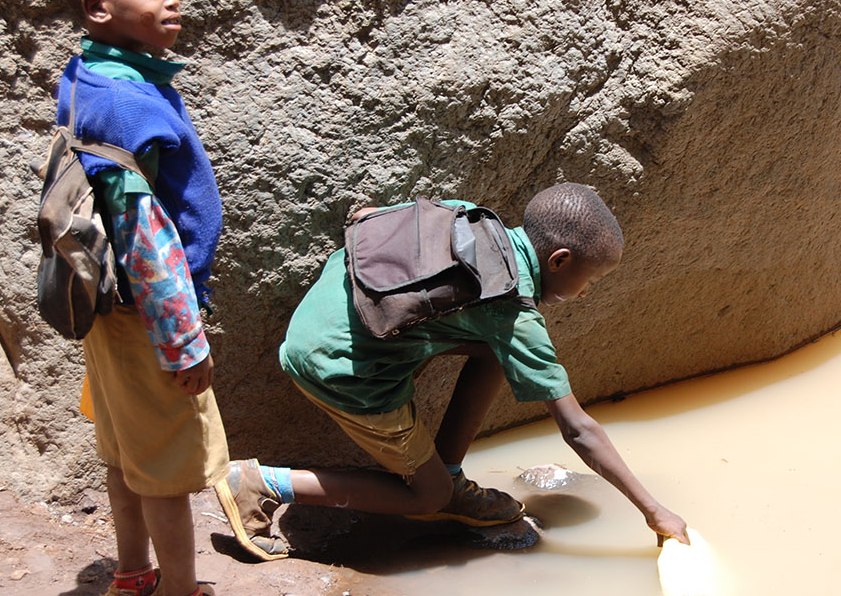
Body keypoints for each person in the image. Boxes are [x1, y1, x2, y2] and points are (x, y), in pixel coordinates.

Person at [216, 184, 689, 560]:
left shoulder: (471, 219)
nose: (585, 294)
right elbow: (578, 429)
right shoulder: (512, 310)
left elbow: (369, 218)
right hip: (342, 370)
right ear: (559, 261)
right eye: (589, 282)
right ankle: (260, 484)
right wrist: (654, 511)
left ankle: (450, 474)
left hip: (320, 318)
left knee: (491, 350)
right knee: (427, 498)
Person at [55, 0, 278, 596]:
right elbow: (146, 240)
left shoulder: (88, 75)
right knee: (171, 471)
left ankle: (131, 583)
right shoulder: (130, 108)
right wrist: (183, 343)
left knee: (127, 457)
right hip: (147, 319)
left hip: (105, 315)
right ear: (98, 6)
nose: (173, 1)